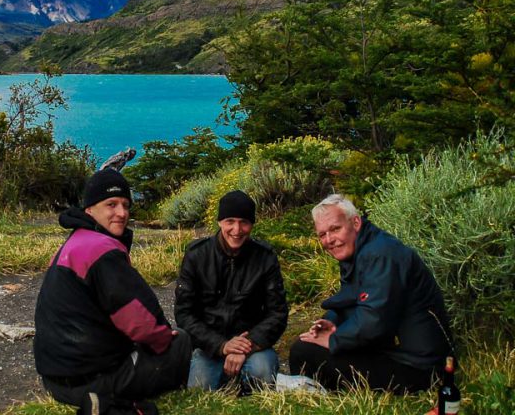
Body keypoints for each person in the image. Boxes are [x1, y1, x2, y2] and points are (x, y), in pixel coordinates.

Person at [34, 168, 191, 413]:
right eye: (111, 204)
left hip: (55, 380)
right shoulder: (102, 251)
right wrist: (163, 340)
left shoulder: (75, 243)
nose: (122, 213)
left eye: (126, 205)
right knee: (180, 341)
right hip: (91, 381)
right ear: (89, 209)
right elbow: (138, 320)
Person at [289, 194, 454, 393]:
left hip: (419, 368)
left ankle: (316, 395)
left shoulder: (380, 254)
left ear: (355, 222)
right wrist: (332, 322)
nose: (329, 240)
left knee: (305, 352)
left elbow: (375, 319)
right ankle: (324, 392)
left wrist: (335, 339)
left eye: (335, 229)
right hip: (397, 352)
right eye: (322, 234)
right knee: (308, 344)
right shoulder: (359, 250)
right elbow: (351, 300)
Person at [175, 190, 288, 392]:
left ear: (252, 224)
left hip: (252, 346)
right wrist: (221, 345)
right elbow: (184, 314)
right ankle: (227, 379)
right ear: (220, 222)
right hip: (209, 347)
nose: (237, 229)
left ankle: (239, 381)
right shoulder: (197, 255)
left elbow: (278, 312)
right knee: (199, 390)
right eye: (230, 221)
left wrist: (248, 344)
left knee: (262, 375)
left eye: (244, 222)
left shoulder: (265, 257)